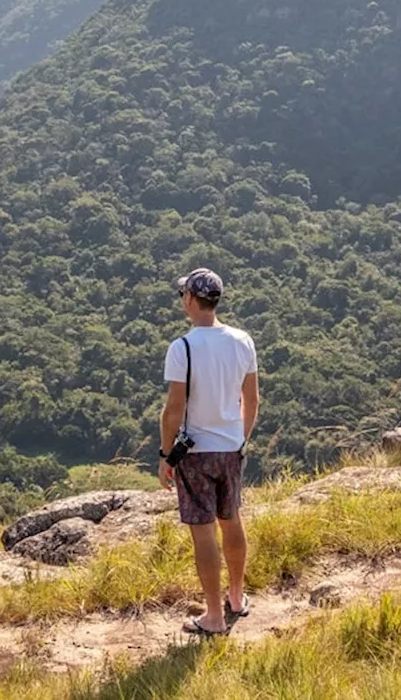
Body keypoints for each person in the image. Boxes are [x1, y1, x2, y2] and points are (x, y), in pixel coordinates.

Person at [158, 267, 260, 637]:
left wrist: (166, 455)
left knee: (203, 533)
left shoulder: (182, 348)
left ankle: (213, 617)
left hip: (195, 453)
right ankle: (236, 597)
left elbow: (173, 409)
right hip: (231, 447)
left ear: (189, 299)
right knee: (231, 520)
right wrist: (239, 439)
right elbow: (252, 400)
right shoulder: (242, 341)